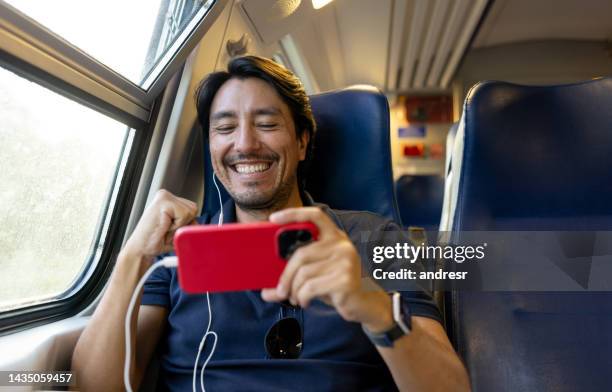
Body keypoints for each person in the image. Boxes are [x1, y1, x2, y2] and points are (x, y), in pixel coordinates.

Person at [72, 55, 470, 391]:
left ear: (301, 143)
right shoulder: (173, 253)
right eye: (225, 128)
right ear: (211, 148)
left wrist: (375, 309)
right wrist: (132, 257)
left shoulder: (374, 236)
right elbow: (92, 386)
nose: (244, 144)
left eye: (266, 124)